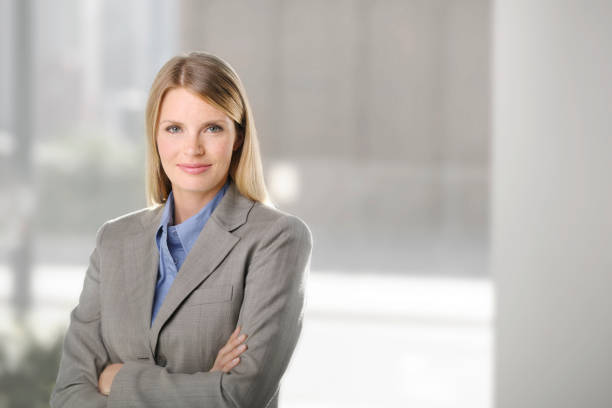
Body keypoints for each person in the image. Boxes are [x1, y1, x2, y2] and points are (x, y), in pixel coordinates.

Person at [49, 51, 313, 408]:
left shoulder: (276, 240)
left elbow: (236, 397)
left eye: (212, 128)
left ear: (237, 136)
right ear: (155, 136)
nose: (193, 148)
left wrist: (117, 379)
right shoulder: (114, 241)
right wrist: (204, 383)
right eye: (174, 128)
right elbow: (67, 396)